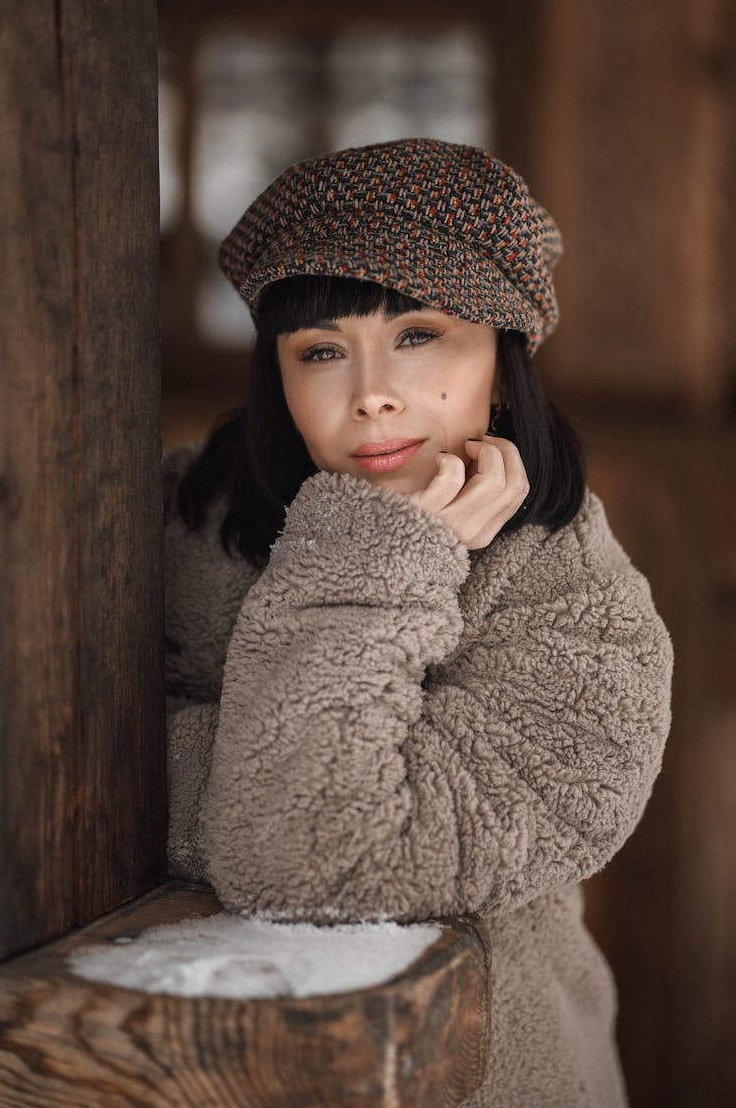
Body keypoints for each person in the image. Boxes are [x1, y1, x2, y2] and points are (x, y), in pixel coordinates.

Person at [162, 137, 674, 1107]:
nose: (370, 394)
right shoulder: (173, 522)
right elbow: (44, 761)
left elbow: (311, 857)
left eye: (418, 334)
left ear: (502, 350)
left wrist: (372, 561)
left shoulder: (591, 625)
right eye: (321, 351)